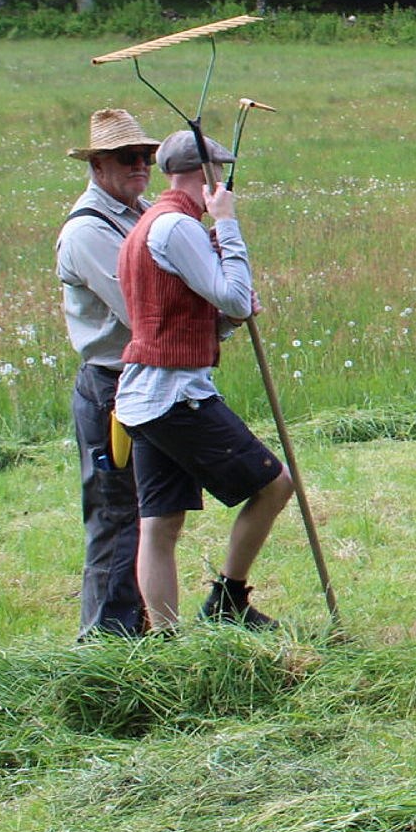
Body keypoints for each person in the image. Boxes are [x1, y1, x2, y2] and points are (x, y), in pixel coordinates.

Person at [115, 129, 294, 630]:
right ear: (208, 173)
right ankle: (228, 601)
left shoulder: (150, 223)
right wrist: (229, 227)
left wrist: (224, 326)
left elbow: (174, 316)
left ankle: (168, 643)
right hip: (174, 396)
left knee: (161, 523)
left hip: (142, 396)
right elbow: (233, 295)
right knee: (275, 485)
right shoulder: (177, 226)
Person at [53, 109, 161, 637]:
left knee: (149, 511)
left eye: (147, 157)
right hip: (111, 388)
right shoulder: (88, 232)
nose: (141, 166)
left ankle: (137, 628)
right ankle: (103, 649)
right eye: (127, 158)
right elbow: (142, 306)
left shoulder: (137, 211)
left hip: (143, 379)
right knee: (116, 515)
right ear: (97, 164)